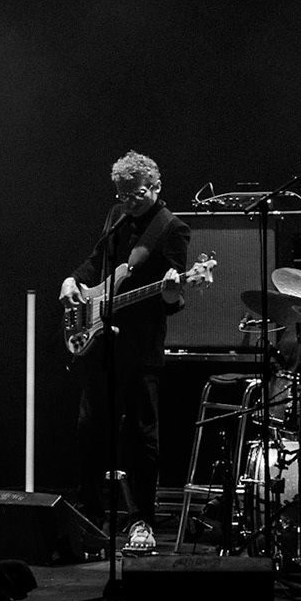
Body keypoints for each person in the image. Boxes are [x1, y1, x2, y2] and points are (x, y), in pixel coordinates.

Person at [60, 151, 191, 555]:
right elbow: (96, 263)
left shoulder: (171, 229)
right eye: (122, 193)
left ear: (155, 188)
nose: (128, 200)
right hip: (102, 344)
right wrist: (72, 281)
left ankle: (143, 521)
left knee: (141, 439)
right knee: (89, 431)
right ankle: (90, 516)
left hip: (141, 349)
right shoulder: (115, 218)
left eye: (135, 194)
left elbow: (174, 298)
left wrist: (172, 292)